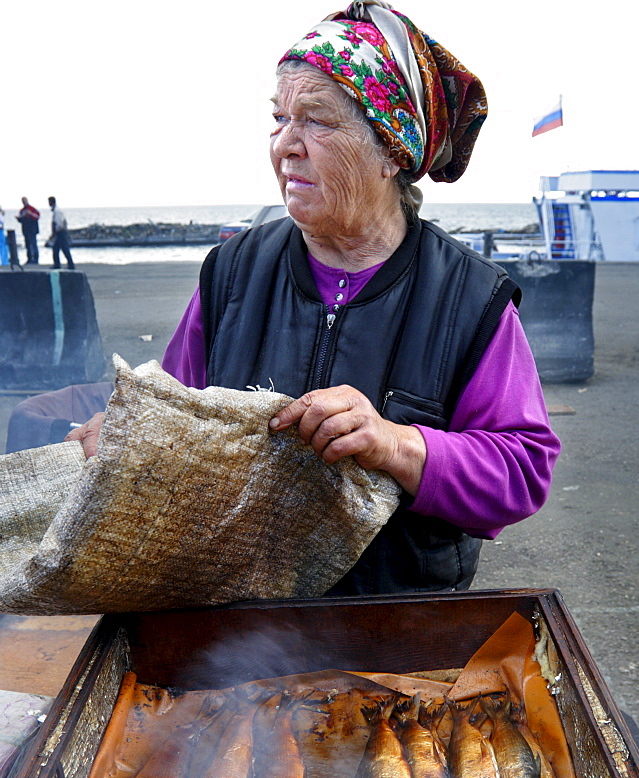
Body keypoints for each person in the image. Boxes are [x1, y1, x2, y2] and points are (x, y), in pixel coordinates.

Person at [68, 0, 561, 597]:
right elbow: (178, 414)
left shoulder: (468, 296)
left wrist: (394, 442)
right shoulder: (233, 271)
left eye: (317, 121)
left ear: (391, 152)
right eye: (279, 119)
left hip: (400, 633)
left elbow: (521, 471)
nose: (285, 146)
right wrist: (129, 436)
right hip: (239, 629)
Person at [48, 196, 75, 270]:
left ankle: (69, 264)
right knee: (57, 248)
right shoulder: (57, 210)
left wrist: (54, 233)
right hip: (61, 231)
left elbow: (58, 223)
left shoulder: (57, 211)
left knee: (63, 248)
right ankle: (58, 264)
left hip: (60, 232)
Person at [15, 197, 40, 265]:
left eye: (25, 201)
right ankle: (29, 258)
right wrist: (19, 218)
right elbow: (21, 219)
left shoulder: (32, 209)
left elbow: (37, 217)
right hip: (26, 230)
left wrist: (30, 214)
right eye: (23, 201)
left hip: (32, 230)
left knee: (34, 244)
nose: (24, 202)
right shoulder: (22, 210)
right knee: (28, 245)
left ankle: (36, 259)